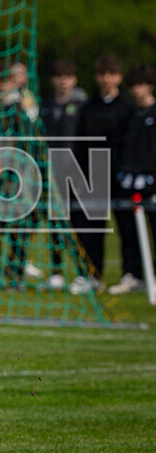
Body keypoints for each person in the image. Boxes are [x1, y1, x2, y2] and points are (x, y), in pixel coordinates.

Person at [73, 54, 134, 293]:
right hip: (94, 176)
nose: (107, 79)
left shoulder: (128, 108)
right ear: (97, 77)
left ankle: (132, 274)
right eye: (102, 74)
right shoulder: (88, 107)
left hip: (121, 177)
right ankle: (93, 275)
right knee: (92, 230)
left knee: (127, 228)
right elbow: (80, 142)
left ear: (118, 77)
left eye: (111, 74)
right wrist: (79, 174)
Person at [39, 59, 88, 290]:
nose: (63, 80)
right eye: (59, 76)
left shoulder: (82, 104)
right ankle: (57, 272)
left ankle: (83, 273)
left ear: (74, 79)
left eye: (67, 76)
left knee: (80, 222)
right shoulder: (46, 105)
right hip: (52, 172)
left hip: (77, 173)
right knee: (56, 224)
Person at [109, 64, 156, 294]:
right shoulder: (129, 115)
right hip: (129, 184)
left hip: (152, 184)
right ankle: (133, 274)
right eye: (134, 86)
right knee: (128, 232)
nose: (138, 90)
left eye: (142, 85)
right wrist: (123, 173)